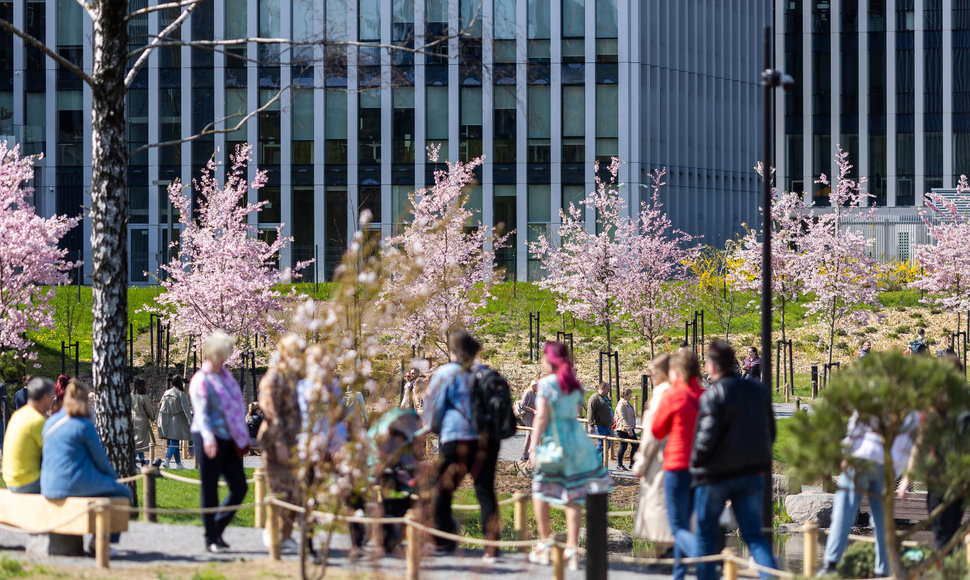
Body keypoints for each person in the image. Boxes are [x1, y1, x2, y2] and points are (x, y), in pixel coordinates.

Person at [691, 339, 777, 580]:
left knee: (706, 537)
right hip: (750, 473)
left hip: (717, 476)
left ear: (713, 365)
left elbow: (705, 440)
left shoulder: (713, 395)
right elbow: (770, 431)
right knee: (754, 536)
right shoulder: (758, 390)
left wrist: (695, 465)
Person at [528, 341, 611, 571]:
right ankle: (572, 549)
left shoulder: (546, 384)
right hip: (576, 441)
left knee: (540, 488)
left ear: (550, 359)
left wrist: (533, 446)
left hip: (555, 440)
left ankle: (545, 542)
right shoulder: (573, 384)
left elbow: (542, 416)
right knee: (573, 493)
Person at [422, 330, 500, 561]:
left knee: (441, 489)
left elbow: (433, 408)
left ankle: (442, 541)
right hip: (486, 440)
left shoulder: (446, 373)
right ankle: (492, 548)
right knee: (485, 491)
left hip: (455, 435)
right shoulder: (486, 373)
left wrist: (434, 428)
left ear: (453, 351)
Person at [818, 407, 919, 577]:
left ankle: (831, 564)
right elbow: (914, 444)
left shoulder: (877, 394)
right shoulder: (910, 408)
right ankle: (883, 569)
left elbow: (855, 424)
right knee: (880, 518)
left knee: (846, 512)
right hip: (883, 464)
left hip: (863, 458)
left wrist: (846, 454)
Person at [189, 330, 250, 554]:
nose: (224, 359)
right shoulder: (200, 380)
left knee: (239, 486)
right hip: (207, 436)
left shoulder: (226, 377)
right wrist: (207, 438)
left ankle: (217, 527)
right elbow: (201, 413)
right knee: (210, 488)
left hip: (228, 437)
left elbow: (237, 405)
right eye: (221, 355)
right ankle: (211, 538)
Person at [650, 350, 703, 580]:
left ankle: (704, 556)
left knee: (678, 527)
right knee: (687, 524)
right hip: (699, 467)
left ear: (677, 370)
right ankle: (679, 574)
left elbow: (656, 429)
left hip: (676, 464)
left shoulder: (673, 395)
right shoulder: (705, 395)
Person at [41, 379, 131, 499]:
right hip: (73, 485)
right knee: (125, 492)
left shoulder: (50, 422)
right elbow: (101, 460)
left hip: (48, 486)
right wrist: (114, 478)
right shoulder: (84, 424)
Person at [257, 334, 304, 552]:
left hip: (293, 441)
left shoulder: (293, 378)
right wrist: (279, 444)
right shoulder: (273, 378)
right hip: (276, 442)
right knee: (281, 489)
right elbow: (271, 412)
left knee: (295, 490)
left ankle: (285, 534)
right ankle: (273, 533)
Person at [632, 354, 675, 548]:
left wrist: (641, 461)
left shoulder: (661, 393)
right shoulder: (675, 390)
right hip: (671, 454)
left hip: (659, 457)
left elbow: (653, 432)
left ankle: (665, 554)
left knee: (658, 507)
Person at [2, 377, 54, 493]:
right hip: (28, 482)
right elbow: (52, 454)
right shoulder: (37, 420)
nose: (53, 401)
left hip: (10, 479)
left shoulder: (19, 415)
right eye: (52, 397)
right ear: (45, 397)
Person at [158, 375, 192, 469]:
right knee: (175, 440)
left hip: (166, 418)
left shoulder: (166, 392)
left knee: (175, 440)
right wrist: (191, 421)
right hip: (177, 420)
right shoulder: (181, 394)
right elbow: (187, 410)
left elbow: (160, 405)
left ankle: (178, 463)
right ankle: (167, 460)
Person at [131, 378, 155, 466]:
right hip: (141, 420)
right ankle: (141, 460)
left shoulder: (131, 395)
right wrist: (153, 418)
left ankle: (136, 460)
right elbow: (149, 409)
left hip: (132, 419)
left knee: (134, 441)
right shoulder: (144, 397)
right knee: (140, 442)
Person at [587, 381, 613, 464]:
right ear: (602, 388)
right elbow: (590, 412)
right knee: (602, 445)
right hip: (600, 426)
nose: (608, 391)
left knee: (607, 445)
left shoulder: (604, 398)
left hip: (607, 426)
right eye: (607, 389)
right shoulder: (595, 398)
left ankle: (599, 464)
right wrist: (591, 425)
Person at [614, 388, 638, 470]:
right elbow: (622, 417)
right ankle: (619, 464)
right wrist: (628, 429)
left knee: (635, 445)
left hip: (630, 428)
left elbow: (631, 416)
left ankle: (632, 463)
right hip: (623, 429)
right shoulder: (621, 405)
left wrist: (633, 425)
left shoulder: (627, 404)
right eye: (630, 395)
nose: (631, 396)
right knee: (623, 446)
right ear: (626, 395)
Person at [518, 376, 539, 462]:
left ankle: (527, 454)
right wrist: (533, 410)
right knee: (531, 434)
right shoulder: (528, 392)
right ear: (533, 385)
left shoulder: (535, 393)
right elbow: (523, 405)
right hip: (528, 416)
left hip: (533, 416)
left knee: (530, 435)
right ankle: (527, 455)